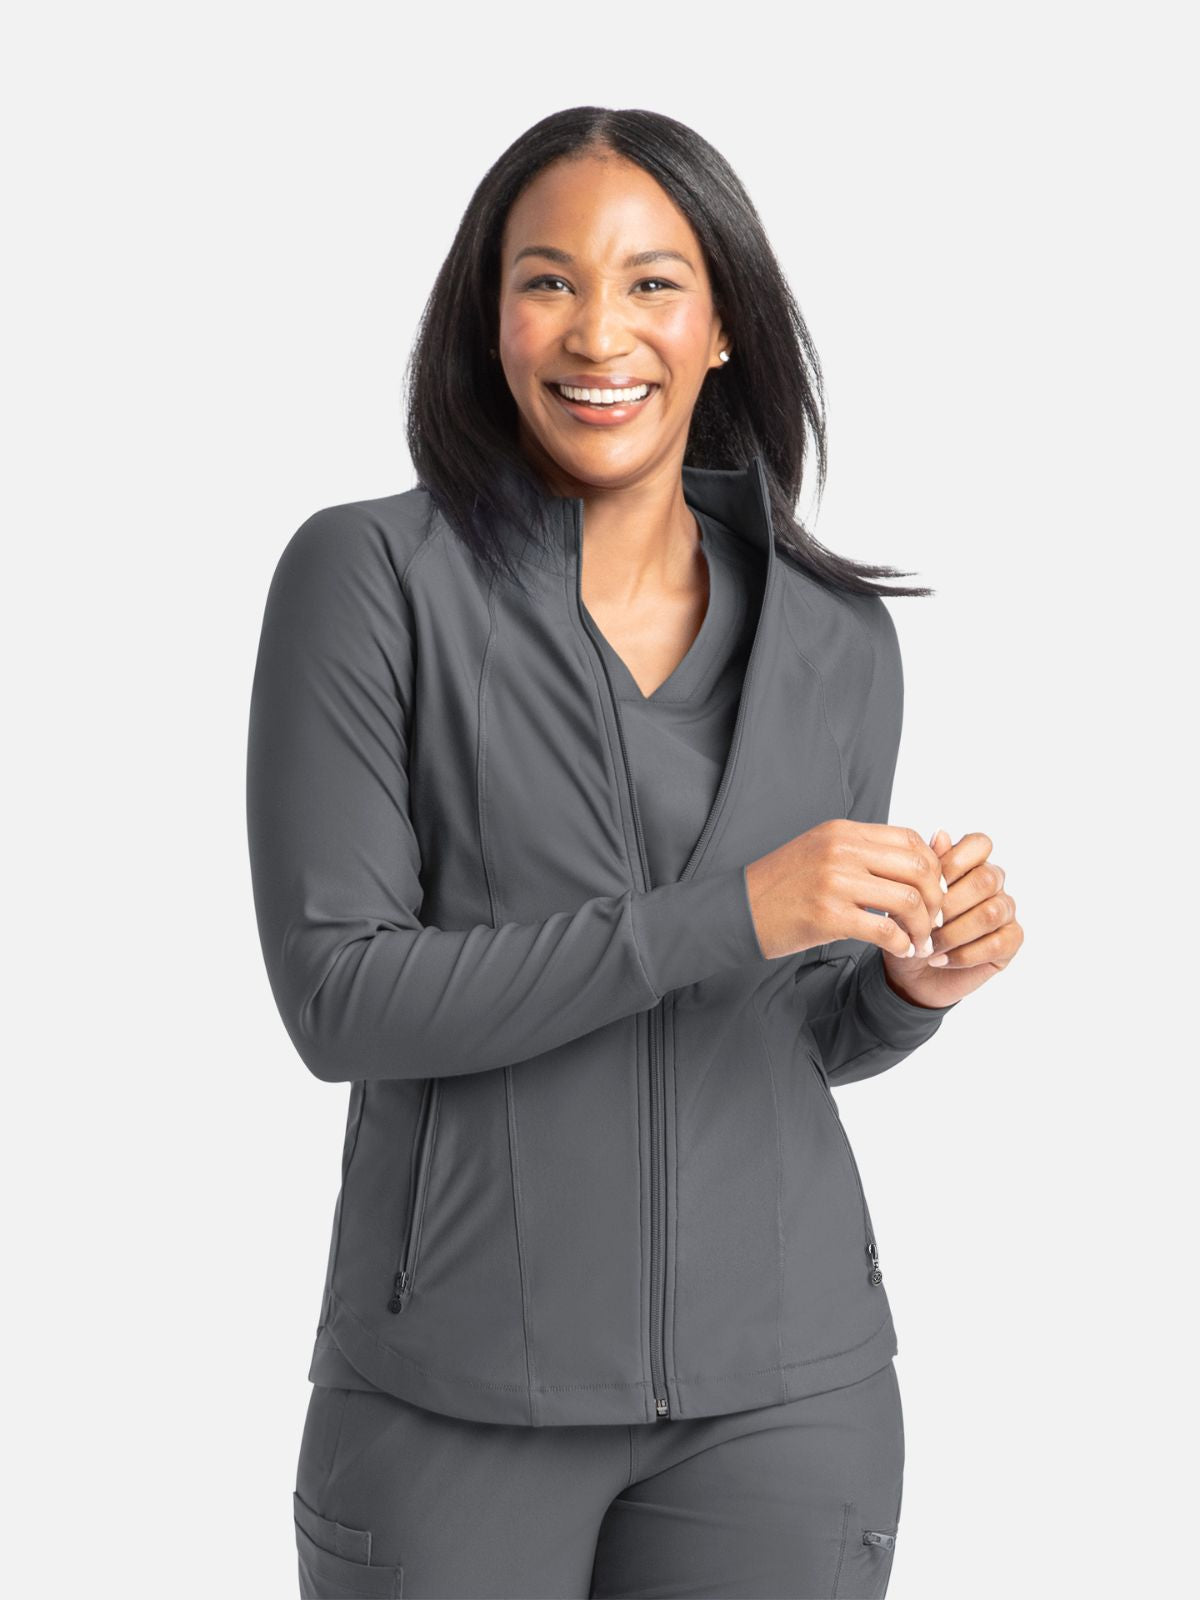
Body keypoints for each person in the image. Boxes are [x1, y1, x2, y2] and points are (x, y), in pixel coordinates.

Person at [246, 105, 1023, 1600]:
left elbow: (788, 1030)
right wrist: (724, 911)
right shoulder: (372, 579)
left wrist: (907, 991)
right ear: (488, 322)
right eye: (547, 281)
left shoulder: (836, 637)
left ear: (724, 325)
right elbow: (338, 999)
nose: (600, 332)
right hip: (457, 1391)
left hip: (789, 1397)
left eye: (654, 282)